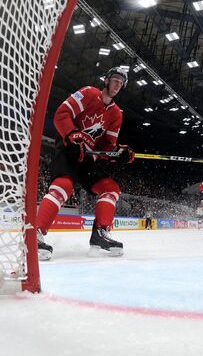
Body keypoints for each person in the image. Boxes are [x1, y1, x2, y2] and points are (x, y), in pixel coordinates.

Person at [35, 67, 135, 260]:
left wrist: (119, 153)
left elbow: (107, 147)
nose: (117, 84)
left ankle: (100, 234)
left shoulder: (116, 114)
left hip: (88, 158)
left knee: (111, 189)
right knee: (63, 186)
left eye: (121, 83)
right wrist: (73, 135)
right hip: (68, 148)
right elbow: (62, 114)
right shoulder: (88, 93)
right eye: (115, 79)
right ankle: (35, 234)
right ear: (106, 80)